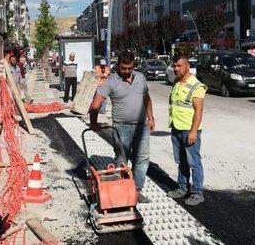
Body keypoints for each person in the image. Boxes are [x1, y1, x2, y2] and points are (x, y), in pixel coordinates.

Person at [89, 50, 155, 202]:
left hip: (141, 126)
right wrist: (93, 123)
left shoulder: (140, 77)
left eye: (129, 68)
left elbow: (146, 98)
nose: (126, 71)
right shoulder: (111, 81)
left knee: (142, 159)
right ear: (118, 65)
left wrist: (151, 118)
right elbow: (95, 105)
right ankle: (121, 190)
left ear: (134, 66)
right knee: (121, 160)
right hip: (121, 128)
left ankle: (136, 190)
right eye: (123, 68)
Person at [166, 53, 208, 206]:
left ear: (187, 66)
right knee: (181, 160)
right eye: (174, 66)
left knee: (194, 162)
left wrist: (193, 131)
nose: (176, 68)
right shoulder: (176, 82)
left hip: (189, 130)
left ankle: (197, 192)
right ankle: (182, 187)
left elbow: (199, 111)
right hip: (176, 128)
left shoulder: (196, 85)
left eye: (179, 65)